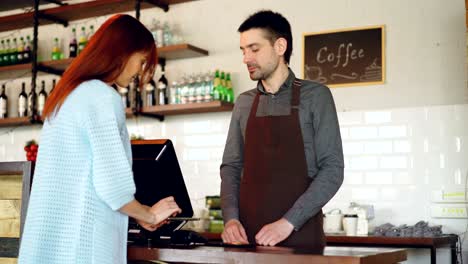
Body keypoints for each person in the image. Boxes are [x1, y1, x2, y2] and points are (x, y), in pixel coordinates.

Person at [18, 14, 181, 264]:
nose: (139, 71)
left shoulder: (67, 95)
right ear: (124, 52)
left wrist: (136, 214)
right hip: (84, 248)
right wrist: (148, 214)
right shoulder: (103, 97)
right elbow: (114, 187)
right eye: (142, 60)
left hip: (51, 247)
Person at [220, 10, 344, 249]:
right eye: (243, 51)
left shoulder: (316, 96)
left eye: (254, 49)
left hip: (301, 238)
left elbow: (332, 169)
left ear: (280, 46)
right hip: (247, 241)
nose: (246, 58)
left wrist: (288, 222)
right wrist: (231, 219)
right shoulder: (244, 103)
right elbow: (231, 167)